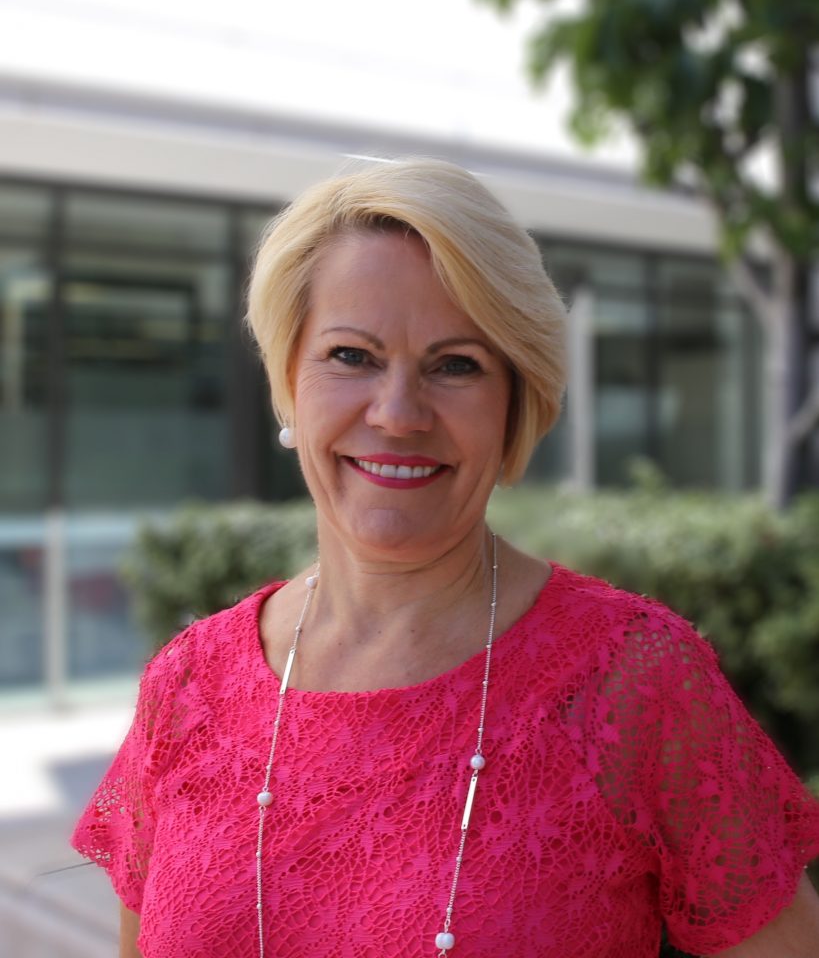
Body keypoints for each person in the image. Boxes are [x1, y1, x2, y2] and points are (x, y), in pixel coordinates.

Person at [73, 158, 819, 958]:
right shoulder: (188, 688)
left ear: (513, 405)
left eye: (455, 365)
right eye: (351, 356)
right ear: (290, 379)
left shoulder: (635, 683)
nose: (396, 414)